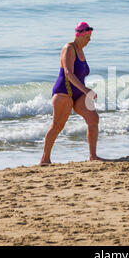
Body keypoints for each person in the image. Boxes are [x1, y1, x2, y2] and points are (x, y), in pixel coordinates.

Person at [40, 22, 106, 165]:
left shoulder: (81, 51)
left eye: (90, 37)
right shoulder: (68, 48)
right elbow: (69, 74)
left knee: (93, 119)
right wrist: (87, 90)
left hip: (78, 93)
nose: (90, 40)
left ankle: (93, 156)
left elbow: (80, 75)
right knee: (57, 126)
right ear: (80, 35)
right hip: (63, 92)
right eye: (88, 37)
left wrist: (84, 91)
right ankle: (45, 159)